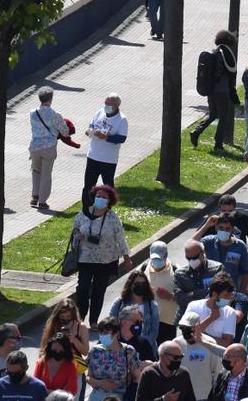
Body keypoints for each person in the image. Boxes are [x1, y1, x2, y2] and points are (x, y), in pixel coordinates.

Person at [73, 184, 132, 325]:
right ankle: (81, 318)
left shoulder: (112, 217)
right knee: (82, 288)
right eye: (98, 196)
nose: (100, 199)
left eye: (103, 197)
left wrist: (127, 258)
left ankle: (93, 321)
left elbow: (120, 239)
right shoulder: (82, 214)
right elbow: (74, 231)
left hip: (106, 261)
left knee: (98, 292)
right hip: (85, 259)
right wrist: (77, 235)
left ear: (109, 201)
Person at [191, 30, 239, 153]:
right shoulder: (226, 55)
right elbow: (231, 73)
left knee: (212, 115)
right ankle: (218, 145)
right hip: (222, 92)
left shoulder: (215, 52)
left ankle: (196, 132)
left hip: (211, 90)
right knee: (223, 117)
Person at [81, 93, 128, 207]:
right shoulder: (100, 112)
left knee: (108, 186)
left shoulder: (122, 119)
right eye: (105, 103)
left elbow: (122, 138)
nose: (106, 106)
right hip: (93, 155)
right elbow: (92, 125)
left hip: (108, 159)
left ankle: (107, 208)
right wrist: (90, 131)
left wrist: (106, 137)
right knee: (88, 184)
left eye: (109, 104)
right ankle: (87, 208)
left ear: (116, 106)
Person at [28, 86, 68, 211]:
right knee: (46, 174)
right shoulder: (55, 115)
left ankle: (34, 196)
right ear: (50, 99)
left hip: (34, 146)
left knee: (35, 171)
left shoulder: (32, 113)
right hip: (49, 147)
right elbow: (65, 131)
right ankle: (43, 201)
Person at [86, 317, 141, 400]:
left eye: (106, 332)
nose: (102, 335)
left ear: (116, 333)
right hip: (97, 395)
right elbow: (88, 377)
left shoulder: (128, 351)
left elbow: (137, 377)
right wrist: (101, 383)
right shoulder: (95, 351)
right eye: (101, 332)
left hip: (119, 397)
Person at [174, 312, 223, 400]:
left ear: (198, 327)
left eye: (189, 329)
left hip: (202, 395)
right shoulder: (176, 344)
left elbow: (217, 371)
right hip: (180, 394)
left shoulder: (210, 344)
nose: (186, 333)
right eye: (183, 329)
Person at [183, 275, 240, 347]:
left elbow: (226, 343)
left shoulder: (230, 312)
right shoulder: (193, 306)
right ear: (215, 294)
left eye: (231, 295)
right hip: (192, 353)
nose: (230, 298)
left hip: (215, 357)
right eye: (226, 295)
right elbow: (188, 336)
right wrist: (211, 318)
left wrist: (202, 339)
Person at [110, 271, 161, 351]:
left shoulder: (152, 305)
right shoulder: (119, 303)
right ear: (130, 285)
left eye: (143, 284)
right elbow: (112, 325)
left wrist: (143, 345)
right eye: (137, 283)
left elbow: (154, 331)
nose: (141, 286)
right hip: (122, 349)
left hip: (145, 349)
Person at [33, 331, 80, 396]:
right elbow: (34, 386)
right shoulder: (41, 363)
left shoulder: (71, 367)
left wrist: (46, 391)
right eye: (54, 350)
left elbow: (71, 391)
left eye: (61, 351)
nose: (57, 353)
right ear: (50, 349)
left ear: (66, 350)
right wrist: (57, 392)